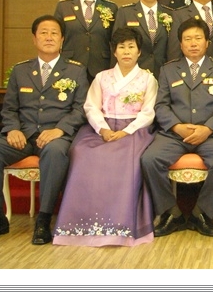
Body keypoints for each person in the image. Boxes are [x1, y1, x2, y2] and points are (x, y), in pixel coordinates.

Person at [0, 15, 87, 245]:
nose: (49, 37)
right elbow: (9, 108)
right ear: (34, 39)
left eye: (54, 33)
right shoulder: (21, 70)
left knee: (55, 153)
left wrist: (60, 130)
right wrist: (12, 129)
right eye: (43, 33)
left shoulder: (75, 71)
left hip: (55, 136)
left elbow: (81, 109)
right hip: (23, 136)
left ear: (62, 39)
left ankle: (43, 219)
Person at [53, 27, 157, 247]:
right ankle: (82, 224)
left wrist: (126, 131)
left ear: (139, 51)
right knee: (81, 152)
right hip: (103, 127)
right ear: (114, 51)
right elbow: (91, 107)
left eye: (131, 47)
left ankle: (119, 225)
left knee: (127, 159)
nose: (126, 51)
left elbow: (148, 112)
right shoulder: (101, 77)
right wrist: (102, 129)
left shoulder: (148, 79)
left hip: (134, 129)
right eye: (122, 47)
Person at [140, 18, 213, 238]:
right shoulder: (168, 69)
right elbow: (161, 105)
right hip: (174, 135)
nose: (193, 43)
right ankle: (170, 212)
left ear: (207, 42)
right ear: (181, 44)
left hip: (211, 135)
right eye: (188, 39)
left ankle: (201, 213)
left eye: (198, 38)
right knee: (150, 159)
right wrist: (176, 126)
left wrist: (208, 129)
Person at [54, 0, 117, 83]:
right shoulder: (64, 7)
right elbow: (56, 37)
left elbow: (116, 40)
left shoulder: (111, 8)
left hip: (101, 67)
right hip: (70, 66)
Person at [114, 0, 169, 78]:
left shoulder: (170, 14)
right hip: (133, 74)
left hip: (164, 74)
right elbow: (116, 45)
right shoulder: (125, 13)